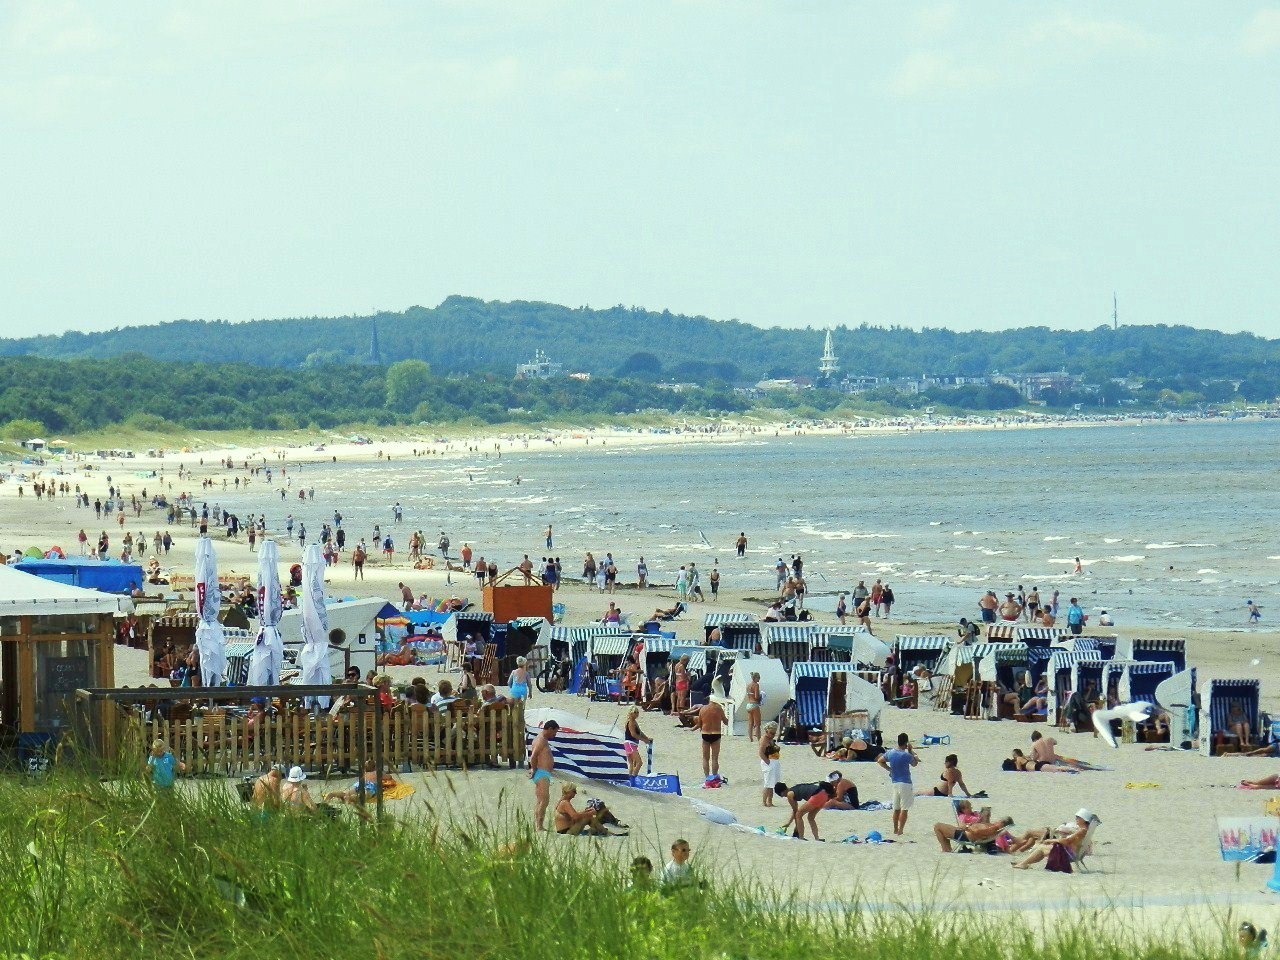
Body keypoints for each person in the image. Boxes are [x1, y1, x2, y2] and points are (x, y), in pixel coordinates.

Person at [1013, 808, 1096, 869]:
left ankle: (1024, 863)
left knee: (1041, 848)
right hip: (1072, 853)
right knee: (1043, 848)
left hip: (1068, 854)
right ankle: (1025, 862)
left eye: (1078, 817)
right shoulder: (1085, 830)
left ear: (1083, 819)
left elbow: (1067, 841)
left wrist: (1051, 840)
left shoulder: (1082, 831)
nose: (1076, 819)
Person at [876, 733, 919, 835]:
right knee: (904, 808)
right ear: (906, 743)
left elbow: (880, 761)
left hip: (895, 782)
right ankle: (901, 830)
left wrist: (889, 769)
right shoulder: (906, 755)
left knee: (896, 808)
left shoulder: (890, 753)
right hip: (906, 782)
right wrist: (911, 751)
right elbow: (914, 763)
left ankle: (895, 829)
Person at [529, 720, 559, 830]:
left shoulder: (542, 739)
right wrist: (533, 769)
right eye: (554, 732)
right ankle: (539, 826)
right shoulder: (541, 740)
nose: (555, 735)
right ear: (550, 729)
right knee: (544, 801)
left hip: (543, 773)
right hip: (541, 773)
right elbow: (533, 756)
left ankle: (538, 825)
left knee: (540, 801)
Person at [933, 815, 1015, 852]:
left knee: (937, 826)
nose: (997, 820)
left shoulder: (993, 828)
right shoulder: (994, 828)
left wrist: (966, 827)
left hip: (964, 835)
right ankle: (947, 848)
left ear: (1002, 823)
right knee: (942, 828)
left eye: (999, 820)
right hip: (965, 833)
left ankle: (945, 849)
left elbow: (978, 832)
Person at [692, 698, 728, 784]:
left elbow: (699, 724)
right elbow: (726, 722)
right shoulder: (719, 708)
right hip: (716, 733)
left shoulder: (703, 709)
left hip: (705, 733)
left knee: (705, 758)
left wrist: (692, 729)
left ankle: (707, 778)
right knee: (715, 758)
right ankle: (715, 776)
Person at [623, 707, 652, 777]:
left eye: (637, 712)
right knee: (639, 762)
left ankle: (630, 777)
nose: (636, 714)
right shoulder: (631, 722)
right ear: (631, 713)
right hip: (630, 743)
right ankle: (633, 777)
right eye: (635, 712)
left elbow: (640, 732)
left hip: (631, 744)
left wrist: (646, 738)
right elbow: (633, 734)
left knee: (633, 763)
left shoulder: (634, 721)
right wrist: (644, 740)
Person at [759, 722, 781, 806]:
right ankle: (764, 802)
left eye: (774, 733)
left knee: (772, 783)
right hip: (768, 762)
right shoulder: (764, 739)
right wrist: (767, 761)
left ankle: (770, 801)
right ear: (767, 731)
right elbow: (761, 752)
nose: (772, 735)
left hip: (774, 761)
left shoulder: (770, 739)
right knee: (768, 783)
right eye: (771, 733)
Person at [744, 672, 763, 741]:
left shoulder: (748, 685)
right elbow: (756, 696)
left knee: (750, 723)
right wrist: (761, 696)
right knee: (757, 724)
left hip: (749, 704)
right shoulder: (756, 685)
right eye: (758, 677)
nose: (759, 679)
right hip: (754, 705)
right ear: (755, 678)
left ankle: (750, 738)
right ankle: (759, 738)